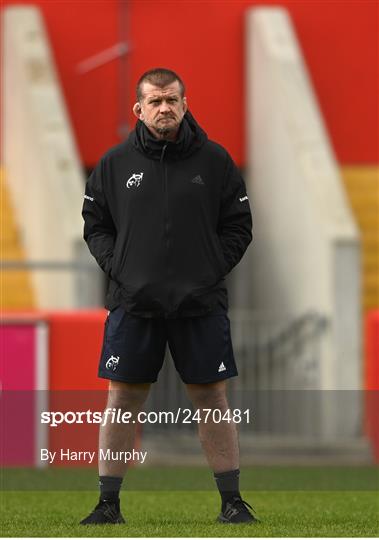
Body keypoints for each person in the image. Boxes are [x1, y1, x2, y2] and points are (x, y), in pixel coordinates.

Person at [80, 68, 256, 525]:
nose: (164, 109)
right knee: (122, 400)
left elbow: (239, 227)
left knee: (212, 399)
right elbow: (95, 225)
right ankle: (107, 505)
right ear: (138, 109)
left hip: (200, 304)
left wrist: (210, 268)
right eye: (155, 101)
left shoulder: (216, 162)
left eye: (172, 100)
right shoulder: (113, 164)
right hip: (133, 304)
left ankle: (233, 504)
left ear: (185, 103)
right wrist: (119, 267)